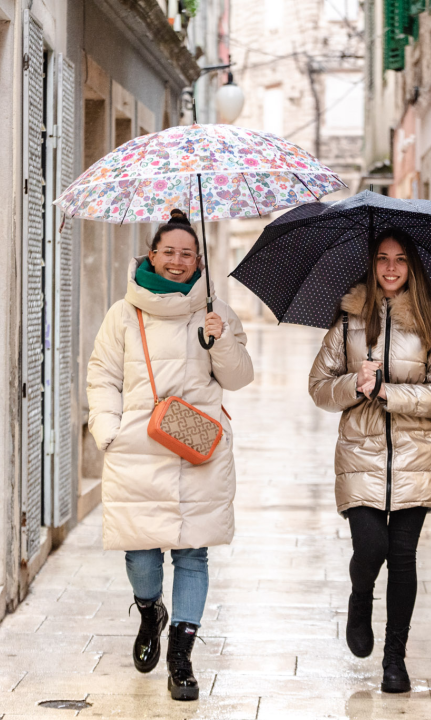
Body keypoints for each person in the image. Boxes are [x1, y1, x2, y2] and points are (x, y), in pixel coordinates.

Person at [86, 209, 253, 701]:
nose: (178, 261)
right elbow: (103, 375)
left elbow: (240, 378)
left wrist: (219, 340)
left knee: (192, 551)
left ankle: (181, 657)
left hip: (198, 447)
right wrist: (107, 430)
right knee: (139, 550)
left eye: (187, 253)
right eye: (169, 252)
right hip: (138, 445)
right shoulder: (124, 314)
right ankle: (148, 611)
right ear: (151, 255)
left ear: (198, 259)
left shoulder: (216, 311)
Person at [308, 231, 431, 693]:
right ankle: (360, 598)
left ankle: (394, 659)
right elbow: (318, 386)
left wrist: (387, 393)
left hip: (418, 458)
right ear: (372, 265)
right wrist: (355, 385)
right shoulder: (348, 323)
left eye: (399, 260)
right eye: (382, 259)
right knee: (371, 547)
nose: (391, 268)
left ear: (412, 266)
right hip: (361, 456)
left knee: (403, 557)